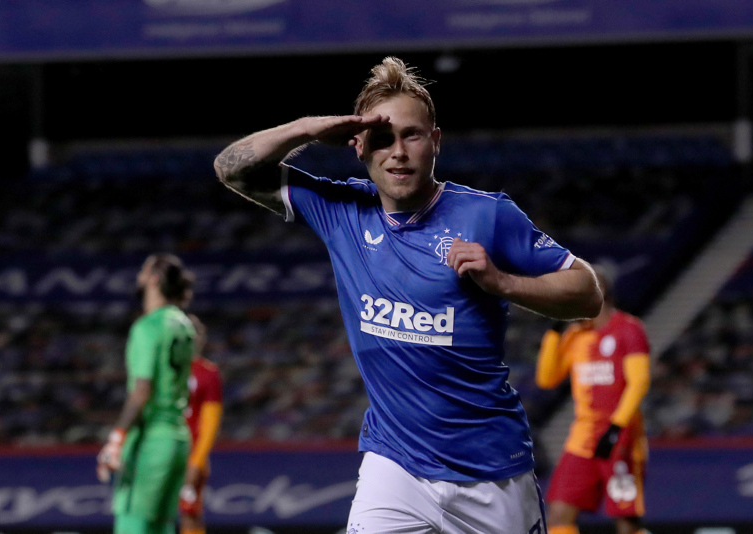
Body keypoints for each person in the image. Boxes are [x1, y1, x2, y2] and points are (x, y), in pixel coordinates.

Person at [214, 56, 602, 534]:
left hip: (491, 472)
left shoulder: (488, 215)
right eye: (382, 138)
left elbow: (587, 292)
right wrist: (306, 130)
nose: (398, 152)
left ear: (435, 141)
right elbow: (231, 169)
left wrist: (502, 282)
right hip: (394, 467)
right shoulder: (341, 210)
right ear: (358, 145)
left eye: (411, 136)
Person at [535, 267, 651, 534]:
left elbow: (639, 382)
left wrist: (616, 427)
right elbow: (546, 379)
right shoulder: (576, 335)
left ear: (597, 292)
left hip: (620, 440)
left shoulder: (629, 329)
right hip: (582, 439)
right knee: (558, 515)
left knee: (626, 521)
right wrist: (554, 332)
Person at [97, 254, 196, 534]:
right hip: (178, 439)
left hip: (151, 441)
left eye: (144, 270)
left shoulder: (148, 326)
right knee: (161, 527)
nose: (139, 276)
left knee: (133, 524)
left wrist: (116, 440)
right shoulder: (185, 325)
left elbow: (141, 391)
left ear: (154, 279)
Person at [179, 314, 223, 534]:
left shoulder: (208, 373)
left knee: (190, 513)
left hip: (191, 453)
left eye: (199, 331)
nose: (195, 337)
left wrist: (196, 463)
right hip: (161, 450)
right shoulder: (164, 369)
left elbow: (210, 425)